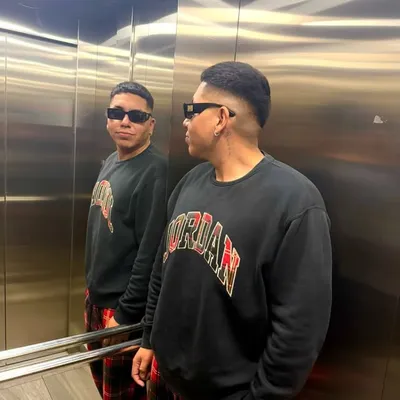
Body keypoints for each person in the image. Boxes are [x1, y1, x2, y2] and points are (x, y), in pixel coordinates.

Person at [132, 61, 332, 400]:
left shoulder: (295, 201)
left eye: (193, 111)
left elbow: (299, 329)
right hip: (166, 376)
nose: (185, 121)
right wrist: (149, 339)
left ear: (221, 118)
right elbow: (161, 271)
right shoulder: (189, 182)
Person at [84, 81, 167, 400]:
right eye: (117, 113)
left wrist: (125, 314)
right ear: (107, 119)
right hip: (97, 297)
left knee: (121, 393)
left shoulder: (155, 173)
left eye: (137, 116)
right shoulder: (111, 160)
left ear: (151, 124)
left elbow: (150, 254)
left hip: (121, 307)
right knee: (101, 382)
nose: (125, 121)